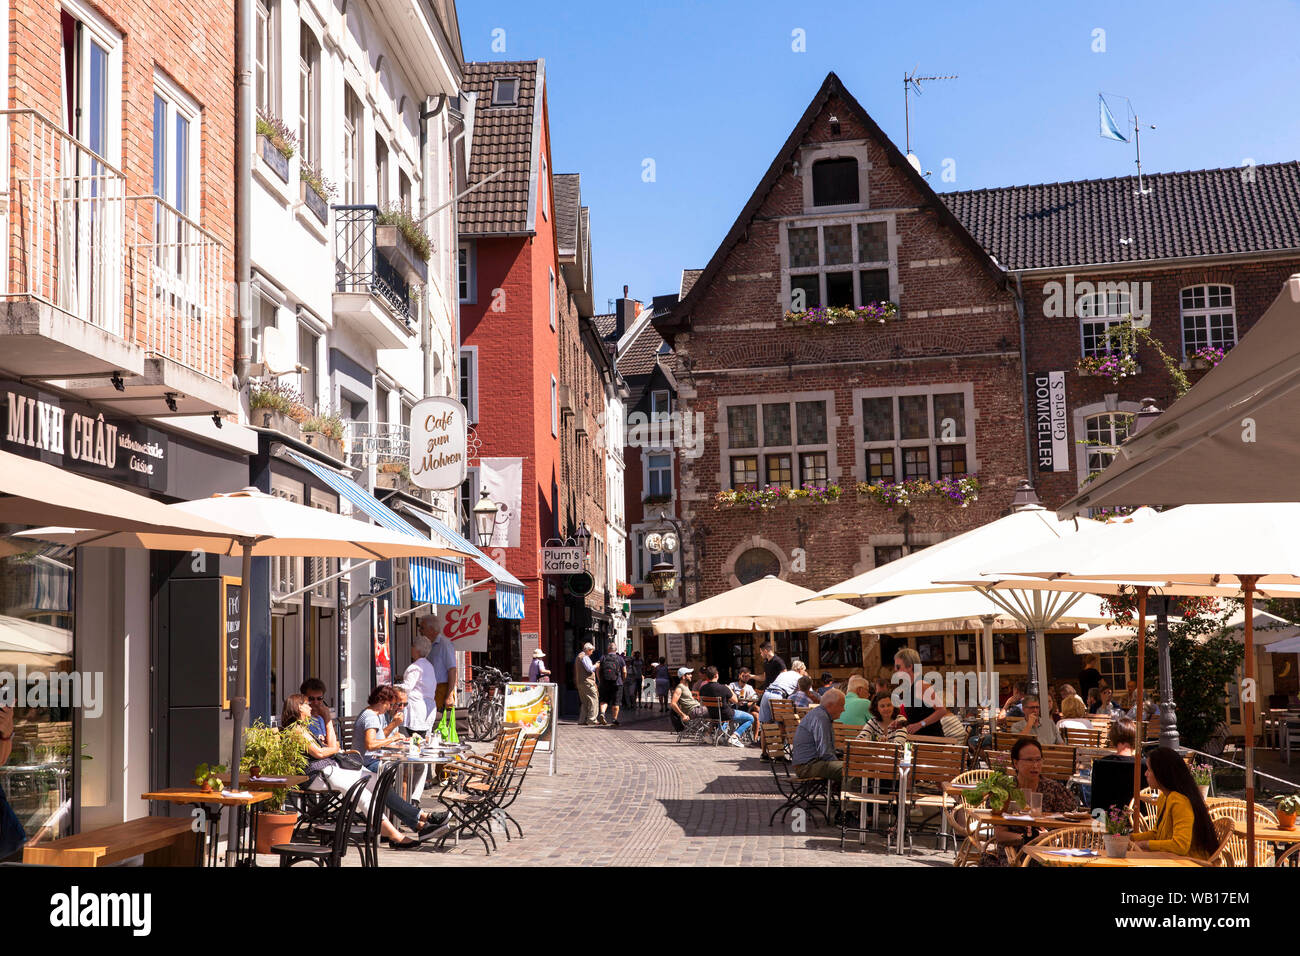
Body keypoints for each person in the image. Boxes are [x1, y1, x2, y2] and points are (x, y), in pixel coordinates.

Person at [287, 694, 442, 849]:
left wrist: (327, 718)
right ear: (298, 707)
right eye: (307, 703)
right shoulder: (296, 731)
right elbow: (320, 753)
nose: (310, 706)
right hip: (317, 775)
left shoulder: (307, 726)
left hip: (330, 768)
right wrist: (333, 749)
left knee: (376, 780)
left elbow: (332, 746)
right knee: (362, 792)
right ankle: (394, 834)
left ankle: (416, 820)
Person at [981, 737, 1080, 866]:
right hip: (1015, 851)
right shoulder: (1005, 790)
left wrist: (1049, 838)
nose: (1035, 765)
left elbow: (1071, 822)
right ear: (1015, 763)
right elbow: (1001, 835)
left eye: (1038, 760)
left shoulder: (1053, 789)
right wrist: (1028, 839)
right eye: (1029, 760)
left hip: (1049, 850)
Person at [1130, 747, 1218, 859]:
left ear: (1161, 773)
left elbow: (1180, 845)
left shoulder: (1179, 801)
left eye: (1149, 770)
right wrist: (1130, 838)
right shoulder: (1164, 798)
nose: (1146, 774)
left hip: (1190, 862)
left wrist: (1145, 844)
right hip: (1171, 858)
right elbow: (1156, 833)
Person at [1089, 717, 1146, 814]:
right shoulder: (1144, 765)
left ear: (1113, 737)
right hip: (1138, 822)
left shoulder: (1101, 764)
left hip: (1106, 822)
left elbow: (1096, 802)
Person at [791, 689, 846, 785]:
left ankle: (841, 792)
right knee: (850, 769)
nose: (843, 709)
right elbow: (825, 752)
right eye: (841, 705)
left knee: (850, 767)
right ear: (830, 705)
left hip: (809, 763)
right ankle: (850, 799)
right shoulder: (821, 717)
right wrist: (838, 763)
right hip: (807, 766)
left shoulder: (820, 715)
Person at [892, 647, 950, 736]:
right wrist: (903, 723)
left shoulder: (921, 685)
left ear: (910, 666)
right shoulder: (909, 686)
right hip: (917, 740)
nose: (895, 669)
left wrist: (920, 724)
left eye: (898, 666)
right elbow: (917, 717)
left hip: (930, 740)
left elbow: (941, 710)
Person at [354, 686, 407, 772]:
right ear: (381, 701)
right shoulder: (371, 716)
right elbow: (370, 745)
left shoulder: (370, 713)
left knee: (403, 765)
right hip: (366, 763)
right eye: (390, 704)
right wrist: (393, 738)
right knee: (401, 768)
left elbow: (378, 740)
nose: (390, 708)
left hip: (368, 760)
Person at [420, 614, 458, 732]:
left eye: (422, 628)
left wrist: (449, 695)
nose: (420, 631)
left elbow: (452, 669)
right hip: (431, 692)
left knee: (440, 726)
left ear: (431, 629)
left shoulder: (444, 645)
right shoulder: (428, 645)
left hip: (441, 691)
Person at [699, 665, 753, 746]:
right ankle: (734, 737)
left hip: (711, 715)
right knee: (750, 718)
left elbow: (702, 702)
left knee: (724, 712)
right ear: (716, 675)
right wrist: (730, 689)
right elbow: (735, 701)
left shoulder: (702, 688)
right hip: (726, 714)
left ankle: (720, 735)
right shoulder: (723, 688)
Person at [399, 637, 436, 738]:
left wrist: (391, 687)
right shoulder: (430, 666)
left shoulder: (415, 667)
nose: (411, 649)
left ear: (417, 650)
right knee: (422, 739)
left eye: (412, 646)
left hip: (416, 710)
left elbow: (406, 687)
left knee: (414, 739)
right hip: (428, 709)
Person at [758, 657, 800, 724]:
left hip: (766, 693)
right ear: (800, 670)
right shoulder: (799, 676)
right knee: (780, 724)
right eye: (804, 670)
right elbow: (802, 692)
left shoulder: (783, 674)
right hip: (777, 695)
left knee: (765, 725)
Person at [597, 641, 627, 726]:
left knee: (604, 699)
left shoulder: (603, 657)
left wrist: (600, 679)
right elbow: (624, 671)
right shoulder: (620, 659)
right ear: (616, 650)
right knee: (616, 702)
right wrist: (623, 680)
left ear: (608, 649)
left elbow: (597, 669)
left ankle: (602, 713)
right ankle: (614, 719)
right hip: (617, 683)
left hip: (604, 682)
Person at [574, 643, 600, 725]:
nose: (592, 653)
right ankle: (592, 719)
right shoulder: (585, 657)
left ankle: (582, 720)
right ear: (588, 650)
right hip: (587, 682)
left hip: (580, 682)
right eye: (591, 651)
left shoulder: (578, 657)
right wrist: (596, 665)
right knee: (593, 699)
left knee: (585, 702)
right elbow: (589, 669)